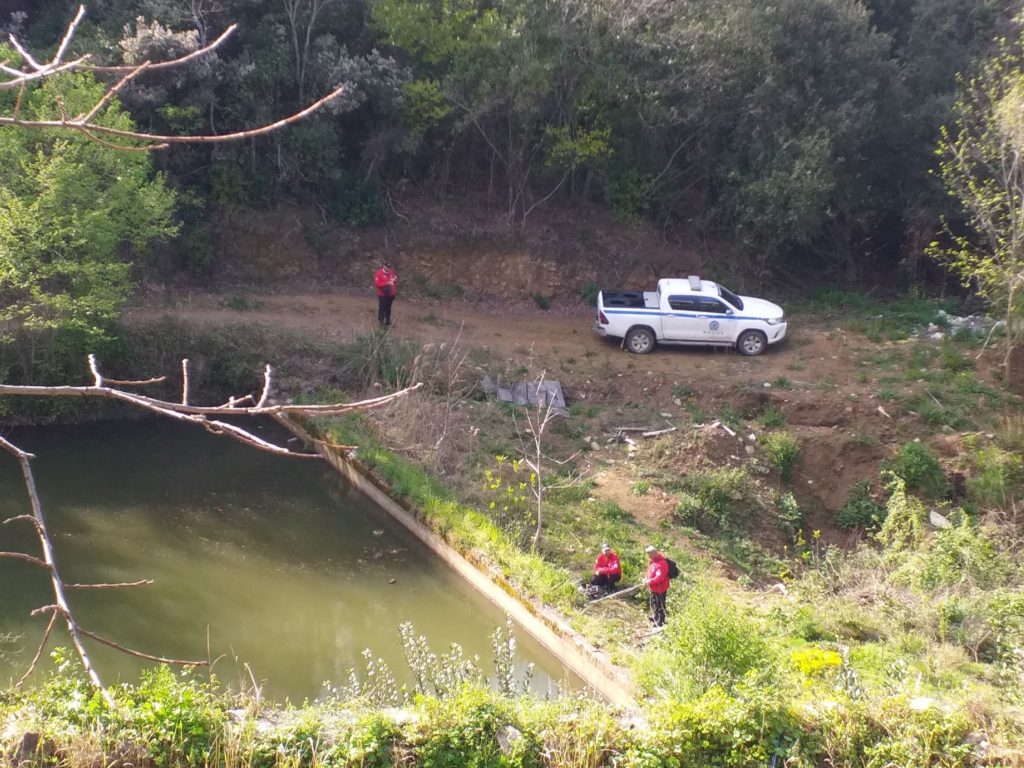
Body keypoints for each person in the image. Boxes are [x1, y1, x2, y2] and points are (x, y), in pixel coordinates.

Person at [642, 545, 670, 627]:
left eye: (649, 554)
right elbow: (649, 572)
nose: (648, 556)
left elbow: (659, 578)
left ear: (653, 553)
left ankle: (660, 620)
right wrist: (645, 578)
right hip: (653, 587)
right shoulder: (653, 561)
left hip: (660, 588)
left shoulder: (662, 563)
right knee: (654, 602)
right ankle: (656, 616)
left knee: (660, 604)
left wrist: (649, 581)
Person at [374, 261, 398, 326]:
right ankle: (381, 321)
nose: (389, 269)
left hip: (391, 294)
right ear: (384, 266)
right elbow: (377, 284)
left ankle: (388, 321)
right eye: (388, 267)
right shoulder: (379, 273)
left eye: (390, 267)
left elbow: (395, 280)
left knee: (388, 308)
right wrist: (387, 283)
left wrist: (394, 280)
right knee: (382, 307)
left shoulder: (391, 273)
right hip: (382, 294)